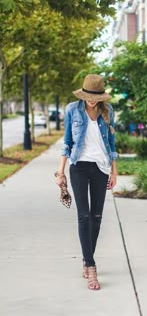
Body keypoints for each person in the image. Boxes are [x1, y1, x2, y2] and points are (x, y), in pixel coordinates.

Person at [55, 74, 118, 291]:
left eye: (96, 96)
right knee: (83, 215)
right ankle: (90, 266)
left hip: (101, 168)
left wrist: (114, 171)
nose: (91, 100)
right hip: (79, 166)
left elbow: (111, 142)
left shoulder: (108, 111)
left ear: (101, 96)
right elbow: (67, 142)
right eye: (88, 96)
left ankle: (86, 256)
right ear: (83, 94)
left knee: (96, 217)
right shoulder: (73, 109)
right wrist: (60, 171)